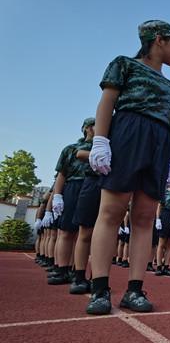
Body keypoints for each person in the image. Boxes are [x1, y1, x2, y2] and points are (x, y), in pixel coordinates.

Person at [85, 20, 170, 315]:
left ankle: (134, 289)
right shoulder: (124, 65)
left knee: (144, 217)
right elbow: (107, 102)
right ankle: (100, 289)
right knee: (111, 212)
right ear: (158, 40)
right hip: (129, 133)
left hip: (158, 143)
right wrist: (101, 141)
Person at [48, 122, 95, 285]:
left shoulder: (104, 146)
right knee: (67, 231)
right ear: (88, 128)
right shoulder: (70, 148)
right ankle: (62, 269)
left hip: (93, 185)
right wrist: (57, 196)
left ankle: (78, 270)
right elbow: (62, 174)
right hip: (74, 186)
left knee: (85, 232)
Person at [69, 118, 100, 294]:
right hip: (91, 182)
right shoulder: (91, 143)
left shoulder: (112, 139)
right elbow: (79, 154)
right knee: (85, 231)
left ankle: (99, 277)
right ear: (88, 128)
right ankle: (79, 275)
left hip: (111, 183)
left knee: (103, 233)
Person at [155, 185, 170, 276]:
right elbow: (159, 205)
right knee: (161, 243)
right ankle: (159, 266)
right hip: (165, 214)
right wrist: (158, 219)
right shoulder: (165, 191)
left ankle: (166, 266)